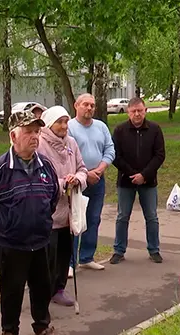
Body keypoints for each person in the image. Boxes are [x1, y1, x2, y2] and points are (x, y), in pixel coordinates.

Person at [0, 110, 63, 335]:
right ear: (14, 136)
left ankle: (43, 328)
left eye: (37, 131)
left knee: (42, 287)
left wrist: (40, 220)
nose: (35, 136)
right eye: (28, 132)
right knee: (11, 289)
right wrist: (7, 224)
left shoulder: (46, 166)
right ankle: (9, 332)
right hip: (11, 244)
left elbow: (53, 197)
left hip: (41, 240)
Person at [37, 105, 88, 307]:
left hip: (69, 210)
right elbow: (38, 177)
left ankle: (58, 289)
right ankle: (42, 291)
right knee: (47, 255)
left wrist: (77, 178)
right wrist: (61, 183)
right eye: (60, 121)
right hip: (49, 212)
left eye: (66, 121)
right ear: (50, 123)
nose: (64, 125)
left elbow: (83, 168)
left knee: (64, 254)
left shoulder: (72, 143)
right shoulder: (40, 144)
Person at [109, 97, 165, 265]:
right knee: (122, 216)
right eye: (133, 111)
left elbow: (160, 155)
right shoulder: (119, 130)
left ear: (145, 110)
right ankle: (119, 250)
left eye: (140, 110)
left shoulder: (155, 129)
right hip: (126, 182)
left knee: (152, 217)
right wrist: (133, 174)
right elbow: (115, 156)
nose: (137, 114)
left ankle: (154, 250)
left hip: (148, 182)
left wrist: (145, 175)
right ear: (128, 112)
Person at [67, 94, 115, 271]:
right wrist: (85, 174)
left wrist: (100, 169)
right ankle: (70, 263)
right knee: (75, 221)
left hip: (98, 180)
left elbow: (110, 149)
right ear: (76, 106)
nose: (89, 108)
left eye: (92, 105)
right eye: (85, 105)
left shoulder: (101, 127)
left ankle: (87, 257)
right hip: (78, 181)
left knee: (93, 218)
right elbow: (68, 155)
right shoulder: (70, 127)